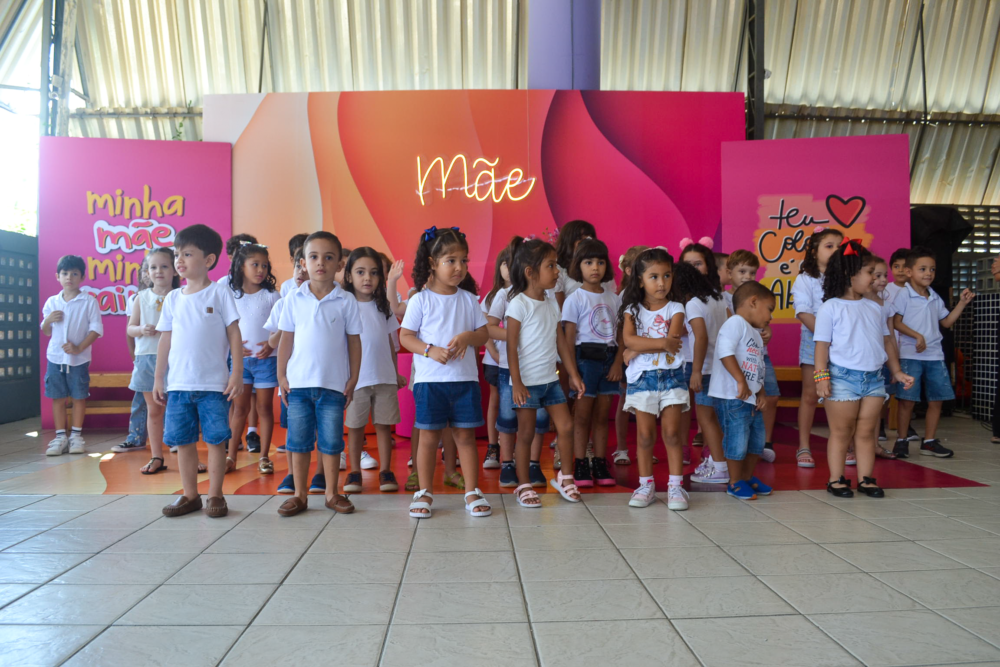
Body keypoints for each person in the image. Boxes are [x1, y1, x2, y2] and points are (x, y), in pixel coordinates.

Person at [399, 227, 491, 519]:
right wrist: (429, 350)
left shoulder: (468, 299)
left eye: (463, 260)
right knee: (428, 438)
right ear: (432, 263)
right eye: (451, 260)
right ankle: (424, 492)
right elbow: (405, 336)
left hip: (465, 382)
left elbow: (483, 333)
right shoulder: (420, 300)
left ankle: (472, 491)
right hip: (430, 383)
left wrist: (467, 337)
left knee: (465, 437)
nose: (459, 267)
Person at [154, 224, 243, 518]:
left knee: (216, 440)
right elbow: (165, 340)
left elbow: (234, 333)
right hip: (179, 385)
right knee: (183, 441)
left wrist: (237, 372)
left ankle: (215, 495)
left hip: (214, 385)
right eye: (177, 254)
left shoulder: (219, 293)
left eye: (187, 254)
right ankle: (190, 495)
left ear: (209, 260)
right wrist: (159, 377)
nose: (179, 260)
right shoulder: (173, 298)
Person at [814, 240, 914, 498]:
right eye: (870, 273)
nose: (875, 279)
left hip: (874, 379)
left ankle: (866, 479)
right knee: (841, 432)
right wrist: (821, 377)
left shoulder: (875, 307)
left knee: (867, 432)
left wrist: (897, 371)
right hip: (841, 378)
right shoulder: (830, 307)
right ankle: (836, 479)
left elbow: (886, 341)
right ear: (850, 274)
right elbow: (822, 346)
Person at [276, 231, 360, 516]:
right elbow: (286, 339)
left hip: (334, 386)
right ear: (303, 263)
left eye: (328, 257)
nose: (320, 262)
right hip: (298, 386)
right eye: (313, 257)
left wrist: (353, 378)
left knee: (332, 442)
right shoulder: (293, 298)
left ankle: (332, 493)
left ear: (340, 264)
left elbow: (354, 342)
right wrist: (281, 376)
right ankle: (300, 495)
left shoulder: (346, 301)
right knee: (298, 442)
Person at [504, 236, 585, 507]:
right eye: (551, 266)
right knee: (526, 434)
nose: (557, 271)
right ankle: (524, 485)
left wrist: (573, 374)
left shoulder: (551, 302)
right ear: (530, 272)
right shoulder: (518, 304)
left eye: (556, 265)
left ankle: (565, 477)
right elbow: (511, 347)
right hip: (527, 383)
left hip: (551, 381)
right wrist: (516, 382)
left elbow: (561, 341)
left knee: (566, 426)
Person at [619, 248, 688, 509]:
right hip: (642, 379)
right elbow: (629, 340)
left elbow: (673, 341)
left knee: (672, 433)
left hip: (671, 377)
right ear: (640, 280)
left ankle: (676, 487)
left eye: (667, 275)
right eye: (654, 277)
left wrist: (638, 348)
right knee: (645, 435)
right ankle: (645, 485)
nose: (661, 283)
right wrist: (644, 344)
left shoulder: (676, 308)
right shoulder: (631, 309)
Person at [892, 246, 975, 459]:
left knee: (937, 399)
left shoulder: (934, 296)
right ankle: (901, 440)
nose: (928, 273)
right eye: (922, 269)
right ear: (909, 272)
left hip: (935, 356)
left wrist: (962, 303)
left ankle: (928, 441)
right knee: (907, 400)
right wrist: (917, 336)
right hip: (910, 355)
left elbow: (946, 322)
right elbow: (896, 322)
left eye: (932, 269)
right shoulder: (903, 294)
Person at [342, 247, 405, 493]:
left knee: (384, 425)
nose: (367, 278)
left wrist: (395, 372)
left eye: (374, 272)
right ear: (349, 276)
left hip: (384, 377)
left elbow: (390, 342)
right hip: (356, 380)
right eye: (360, 272)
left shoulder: (384, 306)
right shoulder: (344, 306)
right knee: (356, 427)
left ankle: (386, 471)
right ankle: (355, 472)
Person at [562, 238, 622, 487]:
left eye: (600, 262)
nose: (595, 267)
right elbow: (567, 340)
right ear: (578, 266)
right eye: (588, 262)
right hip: (585, 360)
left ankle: (599, 462)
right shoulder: (574, 299)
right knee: (582, 416)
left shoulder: (614, 298)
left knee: (602, 415)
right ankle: (580, 463)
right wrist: (573, 373)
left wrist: (617, 363)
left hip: (609, 359)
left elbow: (620, 335)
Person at [487, 260, 551, 489]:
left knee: (539, 418)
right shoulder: (504, 294)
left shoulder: (546, 295)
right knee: (507, 417)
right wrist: (515, 335)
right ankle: (507, 463)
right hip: (509, 367)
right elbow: (489, 327)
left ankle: (534, 463)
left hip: (540, 369)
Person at [709, 281, 775, 500]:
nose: (771, 317)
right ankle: (735, 482)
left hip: (751, 398)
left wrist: (761, 392)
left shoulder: (755, 334)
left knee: (756, 441)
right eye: (769, 309)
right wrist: (740, 381)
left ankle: (747, 477)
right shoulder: (735, 323)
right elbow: (725, 352)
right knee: (737, 440)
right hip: (733, 397)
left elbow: (758, 367)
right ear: (753, 302)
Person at [790, 227, 844, 468]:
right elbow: (803, 312)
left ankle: (845, 444)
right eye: (829, 246)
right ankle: (803, 445)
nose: (835, 250)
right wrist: (827, 336)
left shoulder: (845, 278)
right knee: (811, 395)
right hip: (814, 342)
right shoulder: (805, 279)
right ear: (813, 251)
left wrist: (840, 338)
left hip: (843, 344)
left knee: (841, 394)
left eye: (839, 246)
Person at [675, 245, 729, 484]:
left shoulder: (693, 303)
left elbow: (701, 336)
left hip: (705, 369)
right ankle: (718, 462)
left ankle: (719, 467)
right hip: (720, 366)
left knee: (706, 419)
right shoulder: (717, 297)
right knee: (714, 418)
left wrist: (696, 370)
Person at [226, 243, 281, 475]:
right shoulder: (230, 295)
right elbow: (224, 326)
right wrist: (234, 346)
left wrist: (271, 344)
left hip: (266, 361)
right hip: (240, 363)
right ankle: (230, 457)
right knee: (239, 408)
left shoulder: (272, 295)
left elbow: (283, 326)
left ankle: (264, 457)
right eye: (255, 264)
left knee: (264, 408)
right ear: (241, 266)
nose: (261, 270)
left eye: (265, 266)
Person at [41, 255, 103, 456]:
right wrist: (48, 320)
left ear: (82, 277)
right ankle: (60, 437)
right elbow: (46, 331)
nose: (69, 277)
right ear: (58, 276)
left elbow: (96, 329)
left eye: (74, 273)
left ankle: (76, 436)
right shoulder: (52, 302)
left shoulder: (88, 301)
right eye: (65, 273)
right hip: (55, 358)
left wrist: (78, 348)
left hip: (79, 359)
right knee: (57, 397)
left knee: (78, 396)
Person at [125, 248, 180, 474]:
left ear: (175, 270)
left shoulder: (180, 296)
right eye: (153, 267)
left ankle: (187, 454)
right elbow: (130, 328)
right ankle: (157, 456)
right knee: (154, 410)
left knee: (179, 409)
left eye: (164, 266)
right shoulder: (141, 297)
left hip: (176, 358)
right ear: (146, 272)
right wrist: (141, 329)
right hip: (147, 358)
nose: (159, 271)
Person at [726, 250, 778, 463]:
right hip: (739, 359)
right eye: (742, 271)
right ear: (729, 273)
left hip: (760, 357)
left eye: (752, 272)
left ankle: (765, 442)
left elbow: (764, 323)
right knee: (740, 401)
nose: (747, 276)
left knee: (770, 395)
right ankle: (740, 443)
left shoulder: (760, 296)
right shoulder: (725, 299)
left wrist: (768, 332)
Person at [264, 247, 308, 493]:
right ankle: (292, 475)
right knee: (294, 431)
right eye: (297, 267)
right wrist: (285, 325)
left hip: (318, 378)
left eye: (305, 268)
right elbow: (272, 342)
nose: (301, 272)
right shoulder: (284, 303)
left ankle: (320, 474)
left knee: (321, 431)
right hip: (292, 380)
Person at [613, 244, 650, 465]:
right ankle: (621, 448)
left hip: (649, 357)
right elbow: (620, 331)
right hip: (629, 358)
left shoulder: (654, 294)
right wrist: (620, 359)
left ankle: (644, 449)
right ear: (628, 271)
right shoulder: (625, 296)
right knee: (625, 402)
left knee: (647, 405)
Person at [112, 258, 152, 455]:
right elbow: (130, 329)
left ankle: (174, 440)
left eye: (161, 267)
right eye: (146, 269)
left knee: (172, 398)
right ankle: (136, 438)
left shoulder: (173, 295)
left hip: (169, 357)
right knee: (141, 399)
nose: (149, 273)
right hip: (143, 356)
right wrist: (133, 354)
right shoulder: (136, 298)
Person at [481, 249, 511, 471]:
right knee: (496, 399)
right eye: (505, 263)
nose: (509, 268)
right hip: (495, 360)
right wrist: (493, 353)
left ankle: (512, 447)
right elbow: (484, 328)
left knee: (515, 404)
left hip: (517, 362)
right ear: (499, 267)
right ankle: (493, 446)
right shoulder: (492, 296)